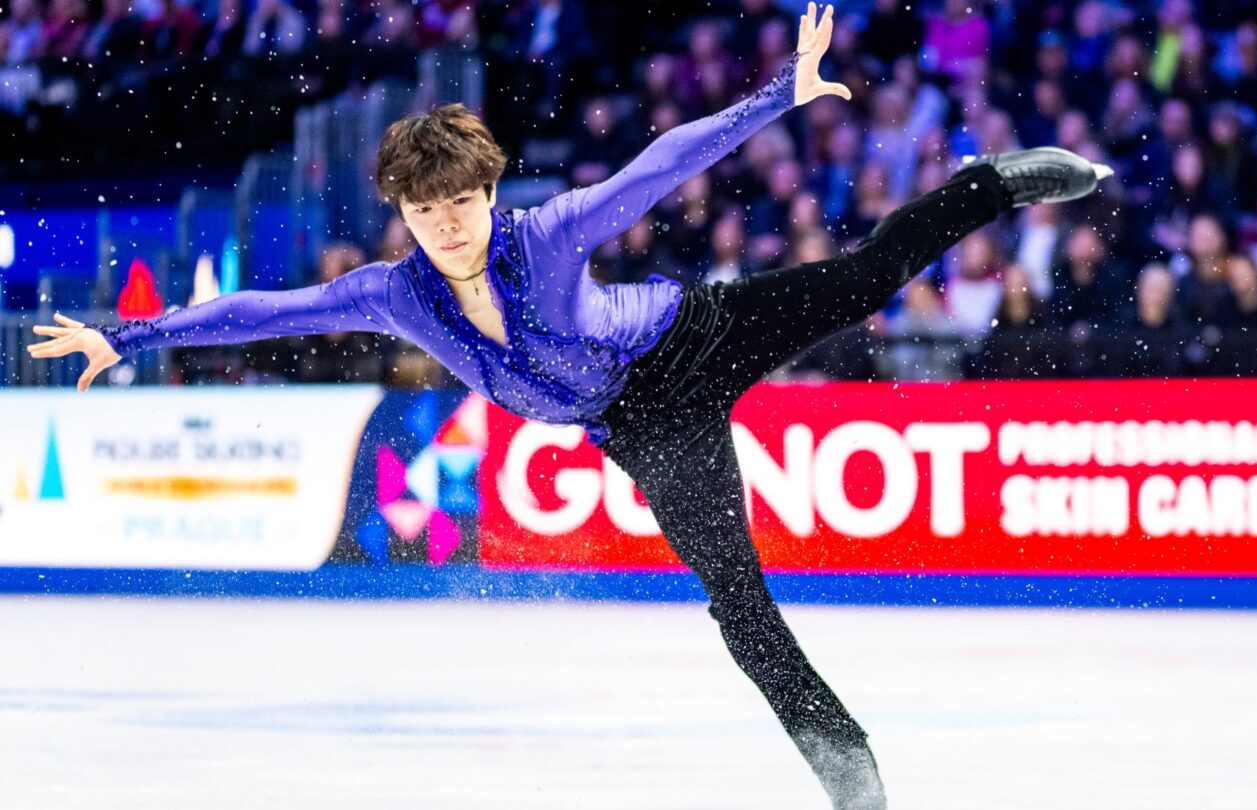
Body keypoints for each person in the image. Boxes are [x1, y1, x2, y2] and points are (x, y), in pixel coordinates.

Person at [26, 6, 1111, 805]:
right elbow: (263, 311)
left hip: (696, 334)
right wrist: (128, 334)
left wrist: (783, 92)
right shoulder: (391, 294)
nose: (448, 224)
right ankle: (849, 771)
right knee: (737, 603)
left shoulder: (544, 235)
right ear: (401, 209)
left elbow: (665, 161)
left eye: (462, 202)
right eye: (426, 208)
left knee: (868, 279)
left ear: (489, 196)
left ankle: (997, 183)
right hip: (643, 425)